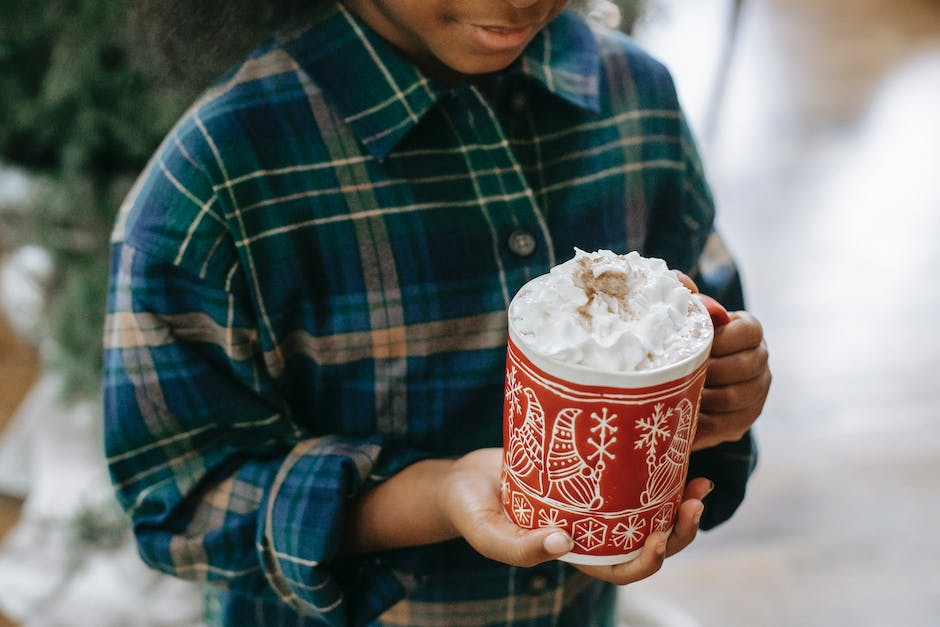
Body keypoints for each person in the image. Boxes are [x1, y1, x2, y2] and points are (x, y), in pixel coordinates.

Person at [104, 0, 771, 625]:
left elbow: (705, 302)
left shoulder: (638, 100)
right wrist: (436, 494)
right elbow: (184, 503)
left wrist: (719, 391)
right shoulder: (213, 187)